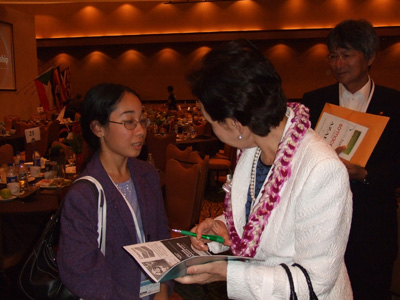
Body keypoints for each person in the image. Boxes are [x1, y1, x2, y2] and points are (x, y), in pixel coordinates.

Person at [175, 39, 353, 299]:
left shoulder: (321, 169)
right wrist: (224, 226)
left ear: (235, 124)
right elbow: (263, 217)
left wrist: (227, 272)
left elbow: (312, 283)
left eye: (209, 120)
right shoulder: (253, 148)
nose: (209, 126)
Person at [302, 19, 400, 300]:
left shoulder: (394, 103)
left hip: (373, 225)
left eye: (346, 55)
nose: (337, 64)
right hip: (321, 223)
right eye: (333, 56)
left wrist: (365, 174)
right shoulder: (314, 101)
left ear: (369, 57)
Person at [57, 83, 172, 300]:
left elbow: (161, 236)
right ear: (98, 128)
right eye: (129, 122)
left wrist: (163, 289)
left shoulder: (147, 174)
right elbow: (81, 272)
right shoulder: (84, 195)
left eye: (142, 121)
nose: (141, 130)